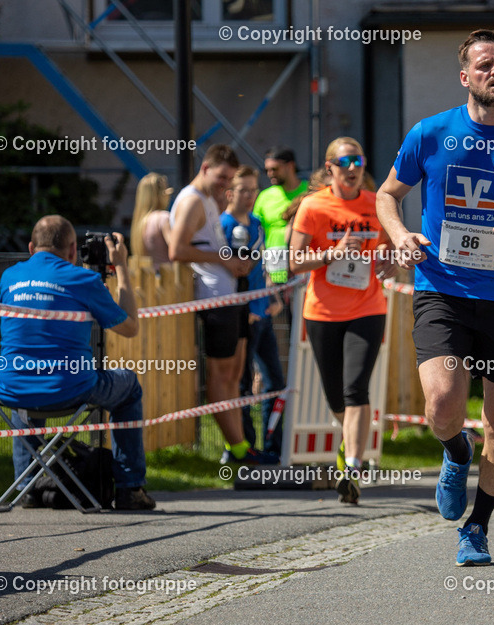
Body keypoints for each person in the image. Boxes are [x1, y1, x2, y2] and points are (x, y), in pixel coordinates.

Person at [376, 29, 494, 566]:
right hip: (443, 290)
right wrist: (400, 235)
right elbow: (387, 195)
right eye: (484, 64)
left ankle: (477, 526)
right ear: (465, 77)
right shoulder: (431, 134)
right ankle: (454, 450)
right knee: (442, 404)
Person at [0, 215, 155, 510]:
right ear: (72, 250)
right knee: (129, 384)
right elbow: (130, 327)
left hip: (11, 387)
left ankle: (27, 485)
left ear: (31, 247)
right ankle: (130, 489)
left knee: (25, 390)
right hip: (70, 386)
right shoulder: (83, 279)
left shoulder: (9, 277)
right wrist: (121, 267)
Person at [289, 137, 395, 504]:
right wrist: (332, 253)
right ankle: (349, 447)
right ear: (330, 167)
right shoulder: (314, 207)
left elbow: (386, 245)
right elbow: (294, 261)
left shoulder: (375, 204)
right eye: (346, 162)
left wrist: (386, 257)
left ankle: (352, 468)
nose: (353, 169)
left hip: (367, 308)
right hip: (322, 312)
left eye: (359, 162)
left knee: (356, 390)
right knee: (336, 395)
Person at [169, 144, 275, 466]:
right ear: (205, 168)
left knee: (234, 374)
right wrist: (225, 261)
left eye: (229, 179)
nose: (225, 185)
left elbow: (209, 247)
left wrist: (233, 262)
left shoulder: (208, 200)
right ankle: (238, 450)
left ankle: (242, 446)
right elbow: (177, 249)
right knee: (221, 376)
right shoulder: (190, 201)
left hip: (231, 295)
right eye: (221, 177)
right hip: (214, 299)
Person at [221, 165, 285, 457]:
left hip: (263, 311)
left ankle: (273, 446)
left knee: (274, 382)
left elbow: (263, 266)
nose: (249, 195)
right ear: (230, 192)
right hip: (240, 315)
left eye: (253, 190)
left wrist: (273, 296)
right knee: (242, 382)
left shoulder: (258, 223)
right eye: (243, 190)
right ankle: (242, 446)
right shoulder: (223, 225)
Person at [254, 146, 309, 285]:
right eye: (267, 170)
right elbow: (257, 235)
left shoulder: (310, 192)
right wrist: (265, 273)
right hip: (273, 274)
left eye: (275, 169)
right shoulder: (264, 197)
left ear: (290, 166)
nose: (270, 174)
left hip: (304, 273)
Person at [130, 172, 173, 269]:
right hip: (168, 278)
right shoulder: (163, 218)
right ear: (161, 194)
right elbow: (177, 250)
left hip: (147, 278)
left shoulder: (139, 223)